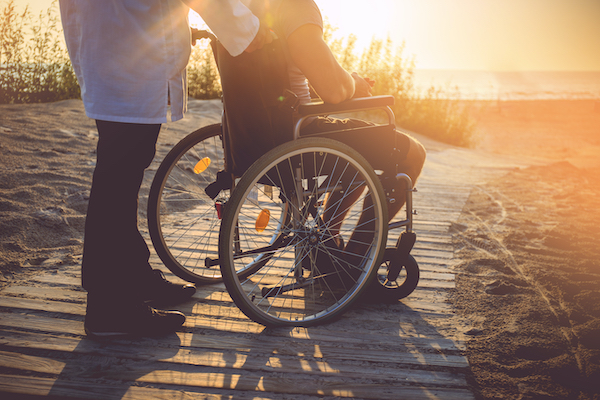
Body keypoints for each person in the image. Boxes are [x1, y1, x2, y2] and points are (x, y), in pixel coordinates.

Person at [59, 0, 272, 339]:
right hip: (128, 54)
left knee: (122, 170)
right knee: (118, 176)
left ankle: (130, 278)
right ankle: (109, 306)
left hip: (115, 44)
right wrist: (248, 30)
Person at [220, 0, 426, 257]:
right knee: (414, 153)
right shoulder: (296, 8)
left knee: (353, 147)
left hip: (249, 142)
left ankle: (328, 240)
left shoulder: (241, 10)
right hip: (296, 138)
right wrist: (353, 83)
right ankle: (357, 258)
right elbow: (334, 90)